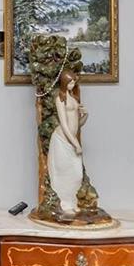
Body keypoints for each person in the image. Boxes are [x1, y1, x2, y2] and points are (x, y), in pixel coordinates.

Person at [46, 69, 88, 213]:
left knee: (76, 174)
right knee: (63, 173)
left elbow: (78, 124)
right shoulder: (60, 99)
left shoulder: (74, 98)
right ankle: (64, 203)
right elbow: (64, 125)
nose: (72, 84)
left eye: (74, 82)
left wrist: (85, 115)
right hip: (62, 141)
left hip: (72, 140)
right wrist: (76, 143)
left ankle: (72, 201)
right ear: (64, 82)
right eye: (70, 82)